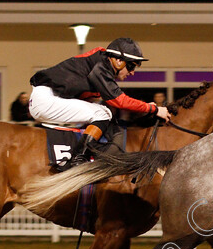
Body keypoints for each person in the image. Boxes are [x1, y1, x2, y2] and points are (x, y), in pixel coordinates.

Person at [29, 37, 171, 166]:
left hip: (48, 98)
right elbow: (119, 101)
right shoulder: (101, 67)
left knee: (100, 111)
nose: (132, 72)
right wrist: (155, 109)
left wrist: (146, 107)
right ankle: (79, 158)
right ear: (118, 61)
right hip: (46, 100)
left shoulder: (100, 63)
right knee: (102, 114)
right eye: (131, 66)